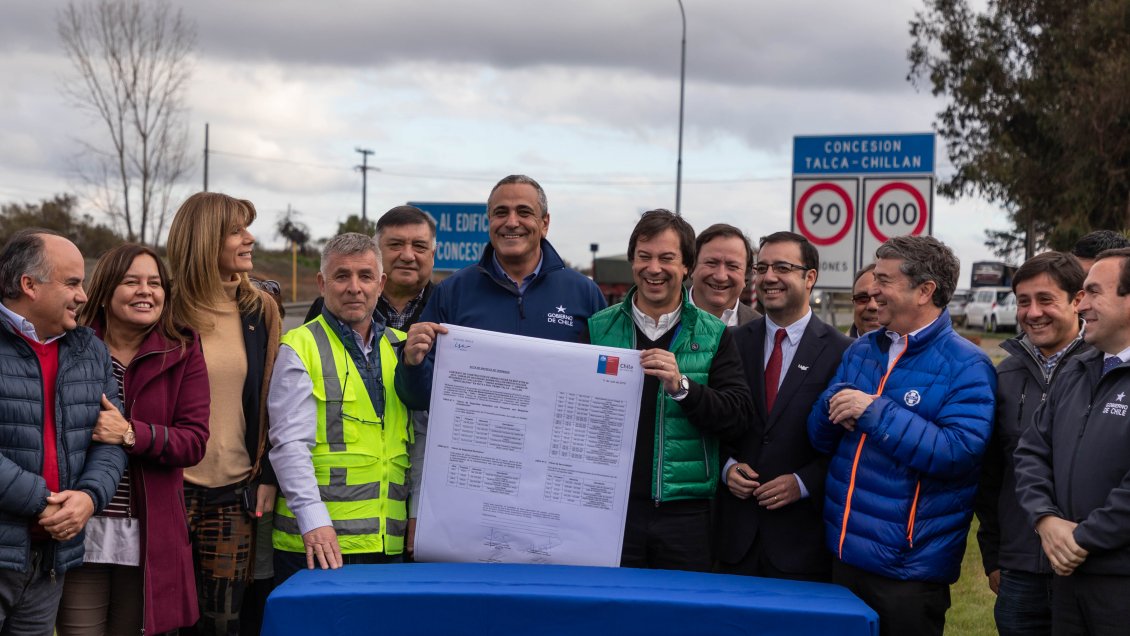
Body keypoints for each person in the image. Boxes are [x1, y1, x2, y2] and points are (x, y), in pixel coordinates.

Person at [807, 235, 996, 636]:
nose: (872, 290)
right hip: (843, 556)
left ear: (925, 290)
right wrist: (830, 409)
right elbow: (820, 437)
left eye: (884, 280)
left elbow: (957, 452)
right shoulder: (862, 351)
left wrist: (873, 411)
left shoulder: (968, 365)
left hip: (907, 571)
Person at [584, 210, 752, 571]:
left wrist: (683, 388)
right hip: (610, 508)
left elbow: (737, 416)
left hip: (685, 515)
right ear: (632, 261)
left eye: (666, 258)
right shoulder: (598, 328)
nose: (653, 268)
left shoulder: (714, 333)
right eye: (644, 257)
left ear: (687, 266)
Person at [57, 244, 210, 635]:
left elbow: (193, 442)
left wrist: (129, 433)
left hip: (149, 532)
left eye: (155, 283)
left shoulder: (183, 349)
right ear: (106, 291)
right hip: (80, 526)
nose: (146, 291)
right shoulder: (70, 345)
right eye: (132, 282)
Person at [166, 192, 281, 636]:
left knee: (224, 624)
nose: (249, 238)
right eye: (236, 230)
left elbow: (273, 398)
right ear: (203, 240)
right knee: (163, 619)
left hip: (233, 492)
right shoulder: (165, 307)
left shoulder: (260, 310)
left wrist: (266, 474)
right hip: (167, 487)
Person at [0, 229, 126, 632]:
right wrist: (44, 501)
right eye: (72, 282)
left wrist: (89, 498)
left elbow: (112, 437)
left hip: (50, 559)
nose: (84, 295)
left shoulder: (89, 350)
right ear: (29, 285)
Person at [269, 233, 413, 583]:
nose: (354, 287)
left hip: (387, 544)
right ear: (322, 283)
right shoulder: (300, 346)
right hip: (317, 545)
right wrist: (314, 521)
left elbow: (419, 445)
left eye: (365, 276)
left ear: (380, 284)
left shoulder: (402, 349)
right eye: (341, 276)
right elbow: (289, 446)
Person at [396, 175, 606, 407]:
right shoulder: (452, 292)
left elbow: (607, 384)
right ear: (489, 221)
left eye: (524, 212)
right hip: (474, 439)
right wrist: (411, 363)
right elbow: (419, 398)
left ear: (544, 224)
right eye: (501, 212)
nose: (512, 222)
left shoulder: (585, 294)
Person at [301, 206, 438, 557]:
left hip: (412, 498)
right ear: (379, 251)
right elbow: (294, 416)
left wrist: (420, 511)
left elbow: (425, 425)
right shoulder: (327, 309)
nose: (407, 255)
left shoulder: (448, 306)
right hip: (341, 522)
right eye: (395, 245)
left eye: (419, 246)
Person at [716, 231, 851, 581]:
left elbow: (850, 444)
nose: (769, 277)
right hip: (733, 542)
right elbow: (710, 421)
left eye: (782, 267)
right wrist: (726, 467)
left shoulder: (842, 352)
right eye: (761, 267)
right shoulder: (730, 342)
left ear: (810, 277)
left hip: (802, 542)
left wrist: (803, 482)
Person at [1015, 247, 1130, 634]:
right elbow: (1032, 451)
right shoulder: (1078, 370)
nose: (1081, 305)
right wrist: (1045, 519)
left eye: (1094, 292)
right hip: (1067, 579)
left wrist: (1081, 538)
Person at [974, 251, 1088, 636]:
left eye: (1046, 300)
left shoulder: (1107, 367)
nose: (1033, 312)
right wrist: (993, 556)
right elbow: (991, 475)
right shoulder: (1005, 375)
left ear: (1077, 300)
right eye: (1024, 302)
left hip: (1090, 562)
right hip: (1020, 567)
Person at [689, 223, 759, 326]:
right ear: (692, 267)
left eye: (733, 266)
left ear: (745, 276)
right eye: (711, 263)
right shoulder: (663, 318)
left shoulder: (762, 330)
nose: (721, 276)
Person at [850, 263, 880, 338]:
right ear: (853, 303)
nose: (872, 306)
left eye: (880, 297)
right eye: (862, 298)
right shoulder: (836, 349)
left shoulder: (912, 349)